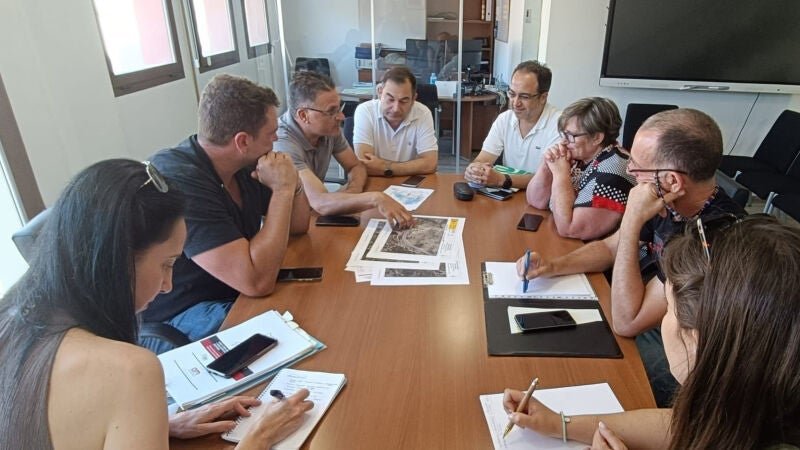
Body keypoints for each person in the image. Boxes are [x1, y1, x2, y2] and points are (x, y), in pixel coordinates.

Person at [0, 159, 313, 449]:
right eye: (167, 264)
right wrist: (259, 437)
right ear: (118, 261)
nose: (168, 285)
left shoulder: (11, 317)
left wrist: (162, 423)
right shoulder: (128, 370)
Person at [503, 215, 800, 449]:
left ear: (696, 341)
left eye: (668, 308)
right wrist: (561, 424)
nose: (663, 321)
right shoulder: (748, 405)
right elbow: (682, 425)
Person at [516, 108, 745, 407]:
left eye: (638, 167)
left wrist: (633, 219)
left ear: (673, 181)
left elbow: (628, 322)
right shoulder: (668, 198)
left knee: (576, 366)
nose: (630, 171)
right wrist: (553, 266)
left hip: (691, 352)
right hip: (648, 307)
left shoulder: (710, 239)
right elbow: (609, 248)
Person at [140, 74, 310, 355]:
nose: (276, 139)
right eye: (271, 133)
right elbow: (256, 282)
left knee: (309, 306)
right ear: (242, 141)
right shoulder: (179, 179)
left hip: (233, 288)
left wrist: (293, 182)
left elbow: (299, 226)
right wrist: (282, 190)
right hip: (181, 311)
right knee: (296, 331)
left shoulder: (247, 164)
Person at [274, 70, 415, 229]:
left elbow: (356, 166)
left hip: (308, 215)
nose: (341, 117)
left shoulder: (327, 129)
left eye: (339, 108)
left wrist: (353, 191)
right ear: (303, 115)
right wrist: (376, 198)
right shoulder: (282, 142)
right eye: (331, 111)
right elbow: (320, 202)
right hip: (283, 225)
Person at [526, 97, 635, 240]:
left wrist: (561, 175)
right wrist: (547, 166)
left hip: (599, 250)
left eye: (571, 135)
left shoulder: (613, 170)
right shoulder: (581, 156)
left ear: (597, 138)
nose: (564, 141)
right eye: (564, 134)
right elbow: (535, 201)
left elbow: (569, 229)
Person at [464, 60, 561, 190]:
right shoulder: (504, 119)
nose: (515, 103)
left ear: (543, 97)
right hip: (507, 193)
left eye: (524, 97)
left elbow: (548, 178)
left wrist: (501, 179)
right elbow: (483, 158)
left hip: (541, 197)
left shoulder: (560, 125)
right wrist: (475, 169)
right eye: (512, 94)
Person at [353, 66, 438, 177]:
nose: (396, 109)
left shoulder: (423, 113)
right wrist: (412, 166)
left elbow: (430, 164)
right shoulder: (365, 111)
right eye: (390, 99)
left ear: (413, 99)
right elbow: (365, 164)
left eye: (403, 101)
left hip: (409, 182)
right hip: (374, 181)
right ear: (380, 93)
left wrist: (385, 167)